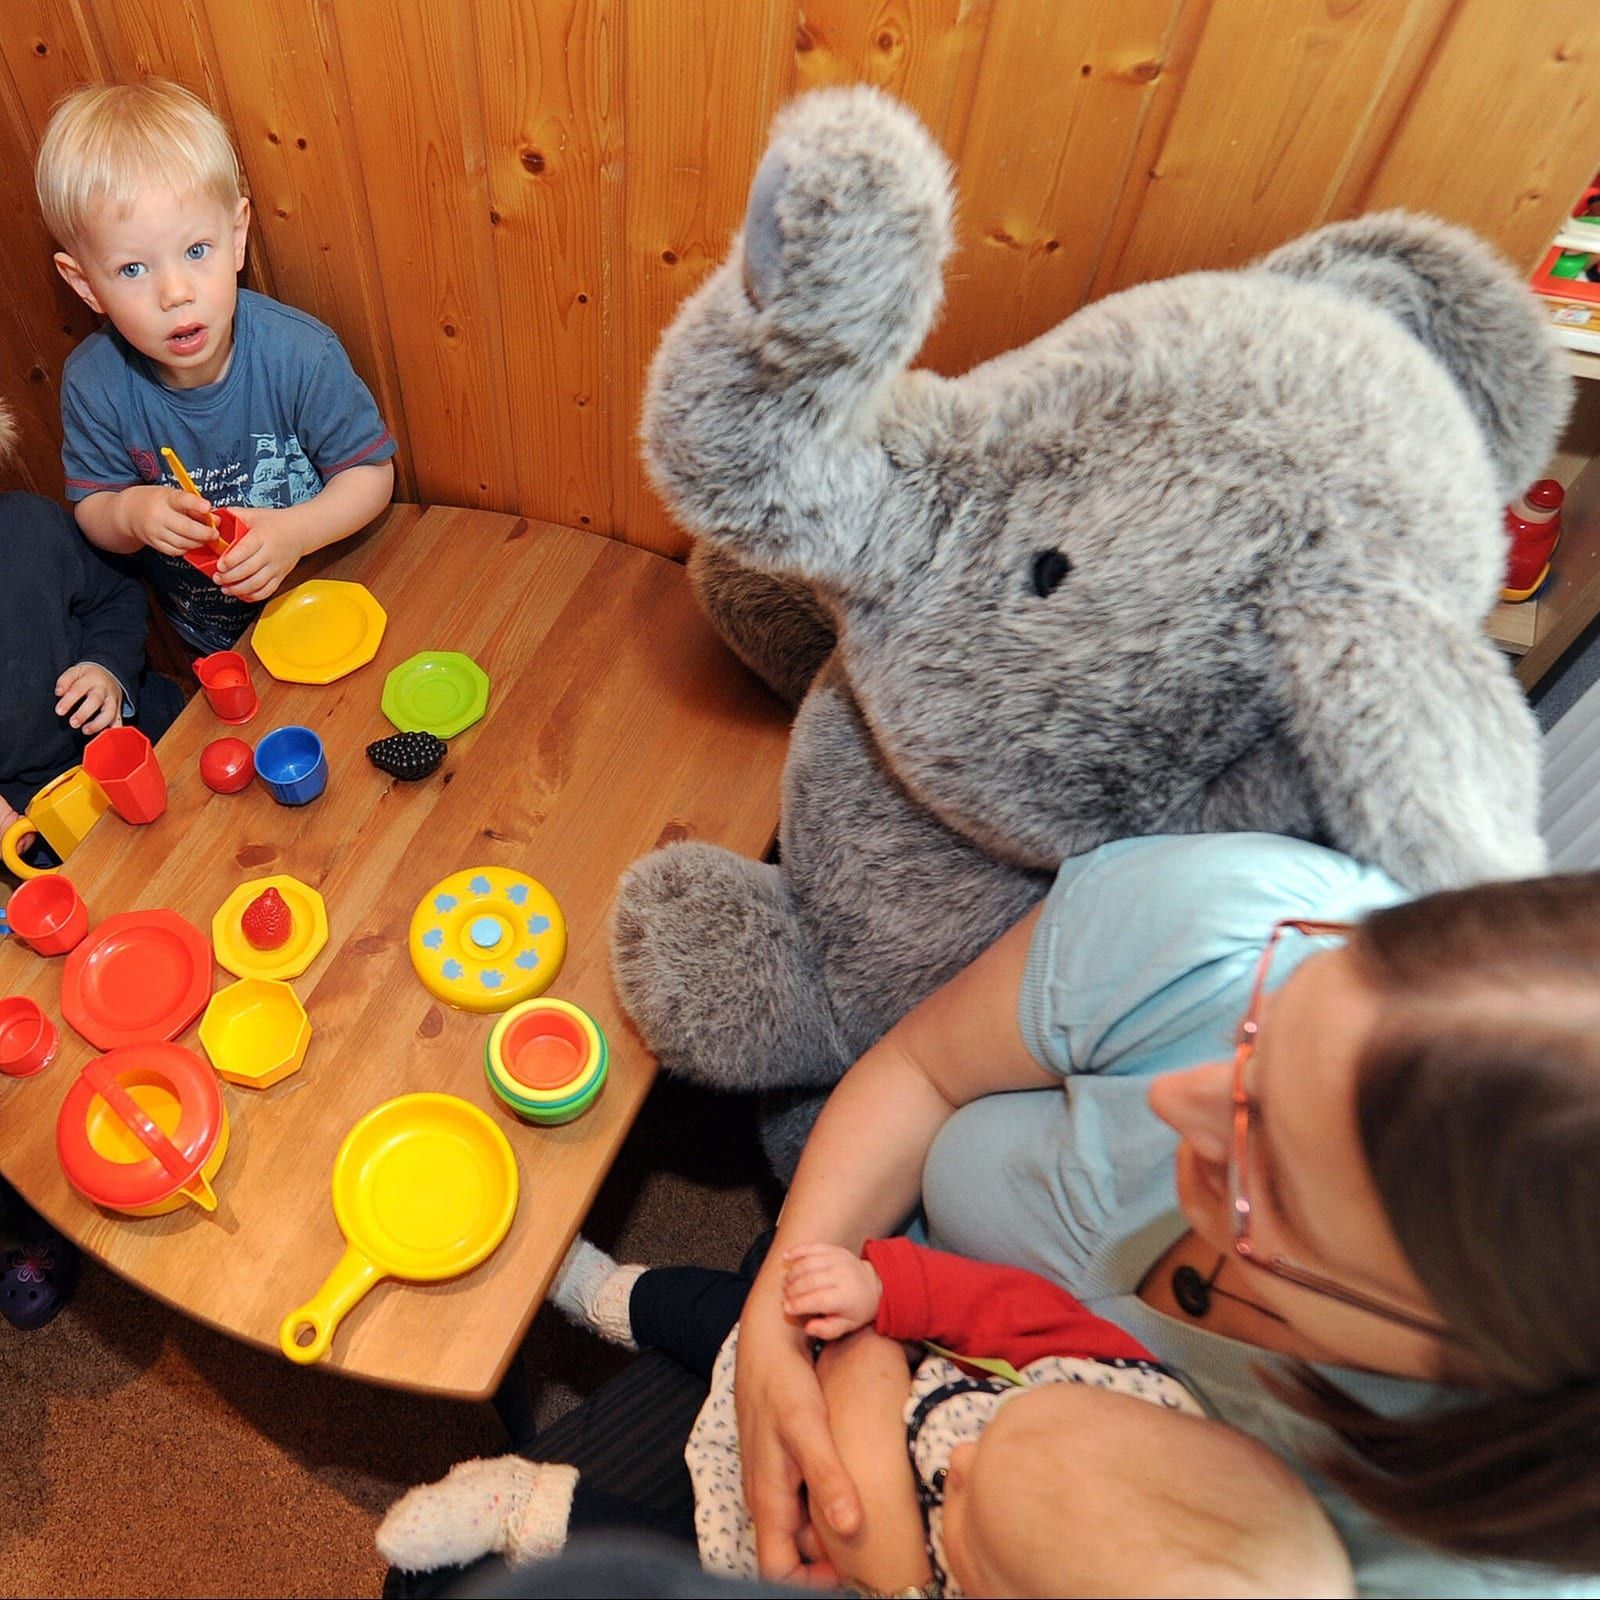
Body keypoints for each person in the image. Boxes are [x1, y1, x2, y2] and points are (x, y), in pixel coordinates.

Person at [730, 832, 1600, 1597]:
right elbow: (923, 1067)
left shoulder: (1430, 1570)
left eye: (1272, 1180)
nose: (1181, 1100)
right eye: (1268, 1023)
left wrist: (893, 1573)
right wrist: (783, 1325)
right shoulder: (1235, 924)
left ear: (1458, 1360)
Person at [380, 1233, 1354, 1598]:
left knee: (678, 1554)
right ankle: (605, 1289)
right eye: (1003, 1428)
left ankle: (528, 1502)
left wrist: (831, 1553)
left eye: (968, 1511)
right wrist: (882, 1286)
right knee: (747, 1310)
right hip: (853, 1357)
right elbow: (1004, 1312)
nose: (961, 1461)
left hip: (782, 1532)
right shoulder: (1123, 1399)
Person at [34, 78, 396, 656]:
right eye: (132, 269)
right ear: (84, 284)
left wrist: (294, 533)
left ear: (236, 237)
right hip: (215, 642)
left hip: (332, 602)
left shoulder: (299, 353)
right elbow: (94, 510)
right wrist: (132, 512)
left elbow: (374, 476)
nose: (175, 292)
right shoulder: (94, 383)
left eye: (196, 251)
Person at [0, 393, 182, 869]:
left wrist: (106, 667)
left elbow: (115, 598)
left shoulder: (30, 523)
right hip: (40, 817)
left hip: (150, 735)